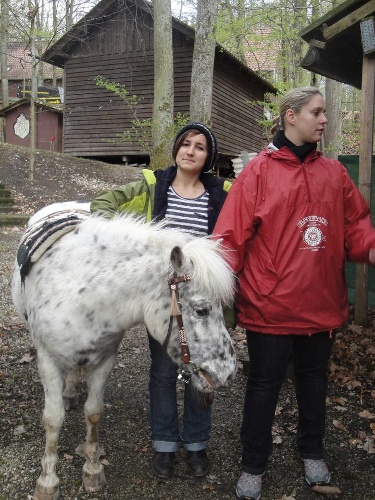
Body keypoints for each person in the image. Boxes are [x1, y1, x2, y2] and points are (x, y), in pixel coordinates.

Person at [213, 87, 375, 500]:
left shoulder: (334, 173)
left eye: (324, 113)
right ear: (290, 115)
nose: (324, 120)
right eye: (316, 112)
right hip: (270, 304)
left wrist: (368, 246)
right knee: (264, 385)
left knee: (314, 381)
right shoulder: (258, 173)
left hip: (321, 302)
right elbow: (230, 237)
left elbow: (356, 223)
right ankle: (253, 463)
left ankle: (312, 451)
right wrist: (211, 286)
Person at [90, 122, 232, 479]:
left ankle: (197, 443)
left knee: (203, 370)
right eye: (186, 144)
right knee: (164, 372)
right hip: (165, 301)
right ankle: (165, 443)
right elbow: (103, 203)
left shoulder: (222, 193)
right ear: (176, 149)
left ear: (208, 157)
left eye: (200, 147)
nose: (191, 151)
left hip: (203, 300)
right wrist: (132, 244)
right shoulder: (153, 186)